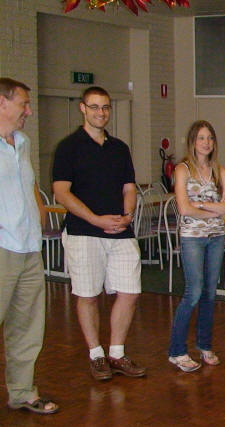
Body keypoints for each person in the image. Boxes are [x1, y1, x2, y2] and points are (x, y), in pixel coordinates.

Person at [53, 86, 145, 380]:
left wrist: (127, 215)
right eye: (94, 107)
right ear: (83, 108)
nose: (101, 113)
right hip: (84, 232)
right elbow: (61, 192)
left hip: (120, 231)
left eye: (105, 107)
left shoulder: (119, 148)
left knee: (130, 291)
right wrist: (95, 219)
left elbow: (129, 188)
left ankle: (117, 353)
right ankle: (97, 355)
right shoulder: (68, 147)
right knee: (88, 294)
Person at [0, 77, 59, 414]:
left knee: (27, 327)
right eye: (23, 104)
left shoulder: (22, 143)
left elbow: (30, 186)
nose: (29, 111)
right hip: (2, 249)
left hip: (28, 249)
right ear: (2, 103)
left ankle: (22, 392)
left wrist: (39, 215)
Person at [168, 120, 225, 372]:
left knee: (209, 292)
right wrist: (215, 210)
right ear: (193, 142)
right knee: (193, 292)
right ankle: (177, 350)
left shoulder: (220, 171)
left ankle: (204, 345)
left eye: (210, 138)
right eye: (201, 138)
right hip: (193, 238)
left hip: (216, 236)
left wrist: (202, 206)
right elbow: (184, 209)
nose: (206, 143)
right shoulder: (183, 169)